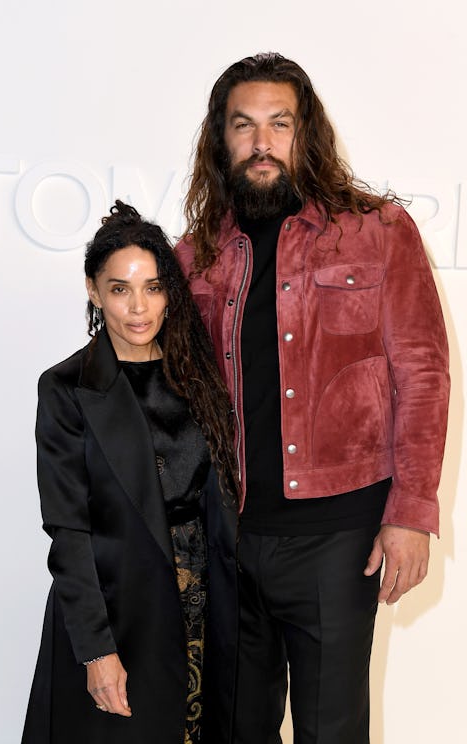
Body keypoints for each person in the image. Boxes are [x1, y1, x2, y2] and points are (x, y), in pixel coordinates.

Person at [176, 53, 450, 744]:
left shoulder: (380, 232)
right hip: (230, 536)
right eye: (244, 126)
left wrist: (412, 513)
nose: (262, 142)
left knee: (333, 730)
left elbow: (423, 372)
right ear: (222, 139)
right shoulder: (197, 253)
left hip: (339, 536)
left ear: (307, 135)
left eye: (279, 124)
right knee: (235, 729)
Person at [21, 201, 238, 744]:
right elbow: (68, 531)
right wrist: (96, 649)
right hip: (119, 618)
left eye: (153, 287)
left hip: (208, 613)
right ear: (94, 291)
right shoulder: (67, 388)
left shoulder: (202, 376)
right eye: (119, 289)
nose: (139, 307)